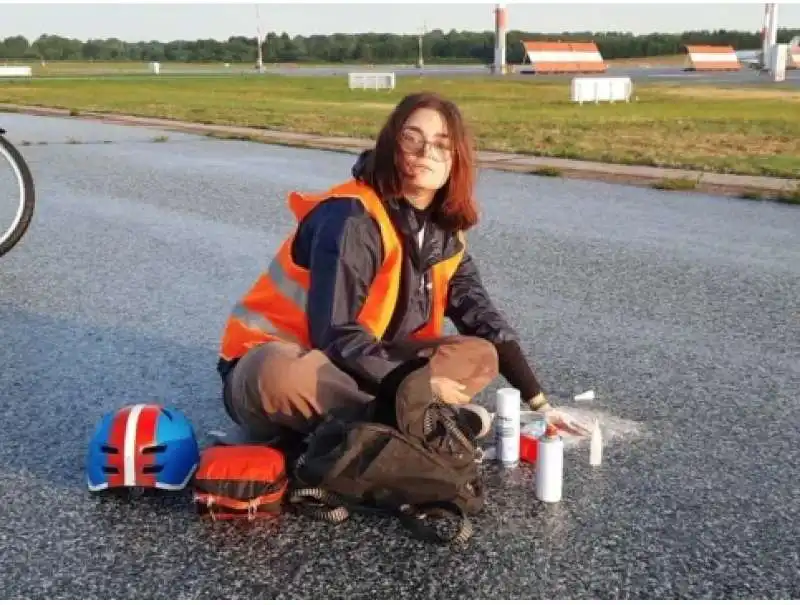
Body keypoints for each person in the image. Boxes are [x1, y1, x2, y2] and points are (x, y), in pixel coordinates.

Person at [217, 91, 584, 443]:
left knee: (479, 355)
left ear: (456, 160)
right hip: (298, 361)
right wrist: (418, 387)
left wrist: (539, 403)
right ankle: (420, 418)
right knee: (277, 374)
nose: (427, 152)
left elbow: (483, 318)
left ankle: (389, 417)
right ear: (392, 145)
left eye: (441, 144)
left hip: (368, 367)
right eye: (413, 138)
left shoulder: (445, 235)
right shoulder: (351, 217)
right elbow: (335, 333)